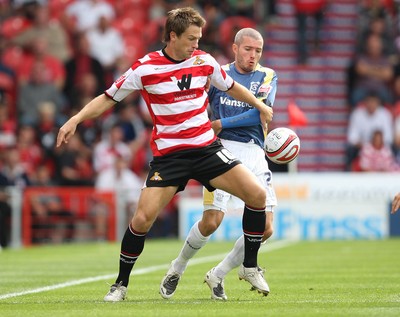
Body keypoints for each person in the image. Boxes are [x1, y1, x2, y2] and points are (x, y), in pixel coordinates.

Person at [56, 7, 273, 302]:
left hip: (207, 150)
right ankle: (120, 285)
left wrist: (260, 106)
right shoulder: (145, 68)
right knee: (142, 219)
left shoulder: (204, 61)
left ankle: (249, 266)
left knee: (257, 197)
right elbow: (108, 98)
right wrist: (75, 120)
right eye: (191, 39)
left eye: (199, 38)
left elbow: (233, 87)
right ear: (173, 36)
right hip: (169, 158)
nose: (197, 45)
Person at [159, 27, 277, 301]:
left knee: (267, 228)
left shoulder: (268, 76)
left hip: (254, 151)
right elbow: (196, 104)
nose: (252, 55)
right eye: (247, 49)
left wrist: (220, 123)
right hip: (220, 151)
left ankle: (219, 274)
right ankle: (178, 266)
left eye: (257, 51)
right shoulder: (217, 73)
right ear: (235, 48)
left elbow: (258, 112)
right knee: (212, 221)